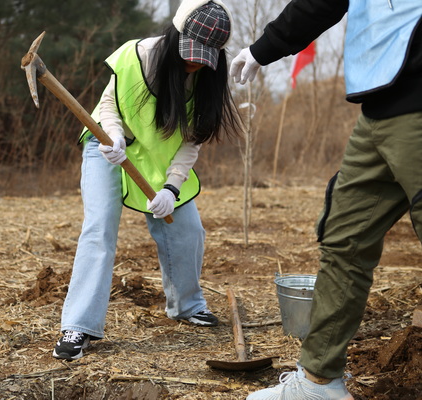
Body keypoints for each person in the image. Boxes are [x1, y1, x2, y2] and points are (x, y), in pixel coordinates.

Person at [229, 0, 422, 398]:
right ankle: (319, 383)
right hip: (379, 105)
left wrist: (265, 47)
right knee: (344, 239)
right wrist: (264, 48)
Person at [52, 0, 241, 361]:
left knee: (188, 230)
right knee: (99, 230)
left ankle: (187, 305)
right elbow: (108, 102)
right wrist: (112, 134)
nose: (195, 63)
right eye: (190, 53)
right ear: (176, 34)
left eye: (204, 57)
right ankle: (78, 326)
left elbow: (190, 142)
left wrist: (171, 188)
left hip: (158, 158)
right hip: (108, 146)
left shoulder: (208, 78)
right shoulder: (137, 57)